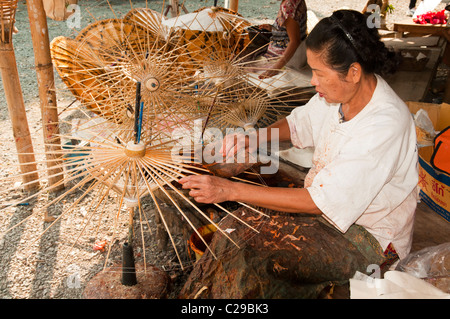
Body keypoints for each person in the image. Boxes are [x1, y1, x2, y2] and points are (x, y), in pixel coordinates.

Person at [179, 9, 418, 297]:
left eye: (318, 73)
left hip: (368, 239)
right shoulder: (339, 95)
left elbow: (320, 202)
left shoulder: (385, 124)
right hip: (325, 209)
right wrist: (252, 138)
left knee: (249, 249)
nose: (312, 81)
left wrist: (228, 190)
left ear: (353, 72)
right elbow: (298, 124)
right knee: (236, 229)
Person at [257, 0, 308, 79]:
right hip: (298, 54)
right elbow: (293, 29)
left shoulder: (288, 5)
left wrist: (275, 68)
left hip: (285, 59)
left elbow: (295, 41)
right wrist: (273, 29)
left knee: (244, 66)